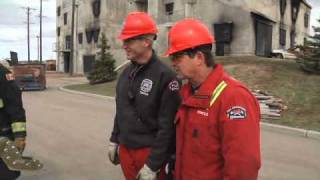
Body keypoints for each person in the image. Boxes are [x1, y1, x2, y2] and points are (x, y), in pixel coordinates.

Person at [165, 19, 261, 180]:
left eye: (177, 56)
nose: (172, 63)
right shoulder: (186, 93)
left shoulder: (234, 98)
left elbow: (242, 168)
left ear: (199, 58)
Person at [108, 12, 180, 180]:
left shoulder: (165, 76)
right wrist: (114, 140)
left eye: (129, 41)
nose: (124, 45)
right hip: (126, 149)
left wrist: (153, 164)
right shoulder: (125, 74)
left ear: (147, 42)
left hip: (149, 153)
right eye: (124, 41)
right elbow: (121, 110)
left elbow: (167, 127)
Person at [0, 62, 27, 180]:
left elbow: (15, 107)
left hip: (3, 133)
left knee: (6, 172)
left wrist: (19, 136)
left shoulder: (3, 75)